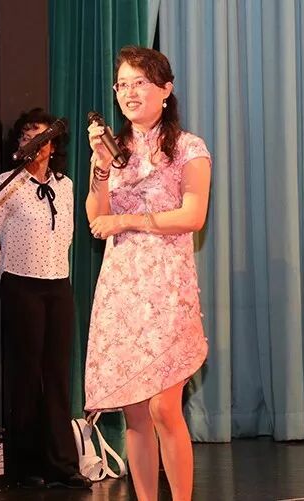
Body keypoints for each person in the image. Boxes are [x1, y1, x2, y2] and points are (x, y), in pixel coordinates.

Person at [83, 45, 211, 501]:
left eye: (140, 82)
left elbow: (193, 215)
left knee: (163, 406)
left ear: (165, 89)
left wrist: (127, 221)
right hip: (121, 286)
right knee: (135, 411)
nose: (130, 92)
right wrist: (100, 169)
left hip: (167, 286)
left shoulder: (189, 147)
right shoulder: (112, 151)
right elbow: (96, 217)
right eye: (122, 84)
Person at [0, 108, 90, 490]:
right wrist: (4, 275)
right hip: (21, 286)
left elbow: (68, 234)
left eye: (41, 137)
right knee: (26, 375)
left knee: (57, 375)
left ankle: (62, 464)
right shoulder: (6, 183)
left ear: (52, 144)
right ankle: (24, 465)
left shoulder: (65, 185)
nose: (34, 144)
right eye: (27, 137)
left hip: (58, 286)